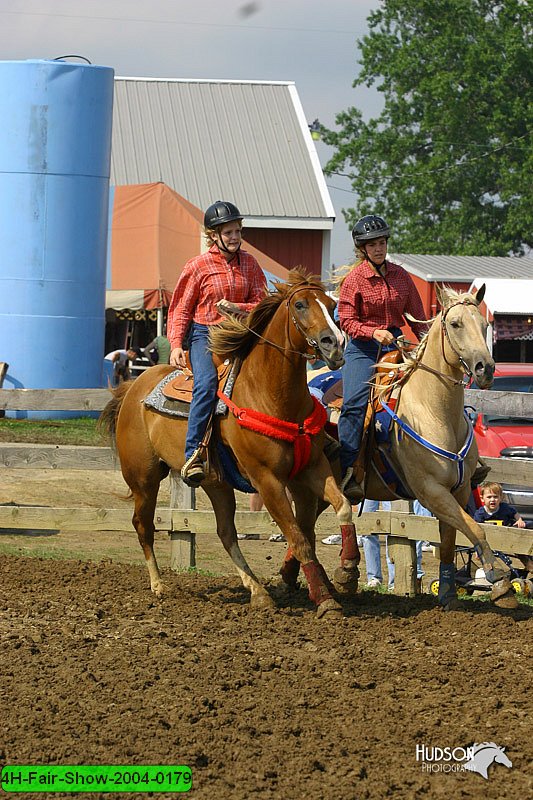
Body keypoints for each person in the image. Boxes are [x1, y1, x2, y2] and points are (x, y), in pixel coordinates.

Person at [168, 201, 267, 487]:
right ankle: (193, 454)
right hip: (206, 336)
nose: (235, 237)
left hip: (242, 333)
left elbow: (262, 305)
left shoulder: (250, 263)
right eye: (228, 232)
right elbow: (180, 309)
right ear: (214, 235)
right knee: (206, 384)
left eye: (237, 231)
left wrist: (237, 307)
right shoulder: (198, 266)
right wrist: (176, 344)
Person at [336, 215, 429, 493]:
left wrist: (427, 345)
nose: (379, 248)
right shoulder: (354, 280)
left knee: (433, 389)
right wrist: (373, 332)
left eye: (382, 242)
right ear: (362, 249)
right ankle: (349, 469)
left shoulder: (402, 276)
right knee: (353, 404)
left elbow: (418, 319)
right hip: (363, 349)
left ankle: (456, 459)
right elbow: (347, 321)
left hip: (397, 346)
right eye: (373, 244)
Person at [473, 482, 533, 572]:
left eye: (496, 497)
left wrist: (519, 520)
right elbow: (476, 530)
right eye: (489, 497)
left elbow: (514, 513)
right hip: (490, 539)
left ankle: (529, 566)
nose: (492, 500)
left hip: (509, 535)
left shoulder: (504, 508)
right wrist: (477, 550)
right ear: (482, 498)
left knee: (522, 541)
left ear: (501, 498)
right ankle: (491, 573)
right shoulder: (480, 513)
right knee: (484, 553)